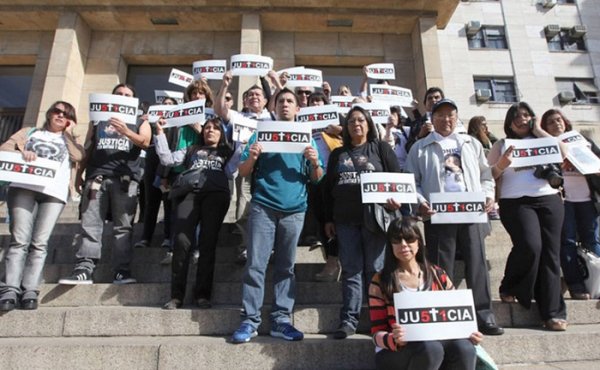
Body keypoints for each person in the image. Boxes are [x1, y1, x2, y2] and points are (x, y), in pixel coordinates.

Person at [230, 88, 323, 344]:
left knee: (286, 267)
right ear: (274, 106)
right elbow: (244, 170)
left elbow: (317, 179)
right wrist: (254, 155)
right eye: (280, 100)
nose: (285, 104)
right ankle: (250, 320)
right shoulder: (261, 133)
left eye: (290, 101)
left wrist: (314, 162)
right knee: (256, 265)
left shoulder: (306, 137)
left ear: (297, 109)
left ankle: (281, 320)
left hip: (294, 211)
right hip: (263, 208)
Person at [404, 99, 504, 336]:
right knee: (440, 267)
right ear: (432, 119)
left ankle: (483, 315)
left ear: (457, 118)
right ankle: (445, 314)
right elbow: (411, 182)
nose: (446, 120)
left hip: (471, 213)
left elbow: (485, 175)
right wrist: (421, 203)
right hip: (439, 215)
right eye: (440, 115)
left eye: (450, 115)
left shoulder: (471, 143)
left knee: (477, 264)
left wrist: (488, 195)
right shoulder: (420, 148)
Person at [59, 83, 151, 285]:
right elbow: (88, 147)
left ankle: (121, 270)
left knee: (123, 227)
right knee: (90, 223)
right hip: (96, 178)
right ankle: (84, 267)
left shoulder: (140, 120)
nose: (123, 96)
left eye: (127, 95)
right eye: (119, 94)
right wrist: (79, 174)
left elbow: (145, 142)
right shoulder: (98, 119)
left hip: (125, 179)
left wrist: (126, 131)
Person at [323, 106, 402, 339]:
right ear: (346, 128)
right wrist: (328, 218)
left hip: (375, 221)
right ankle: (348, 321)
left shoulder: (381, 148)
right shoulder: (338, 154)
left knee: (376, 270)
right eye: (351, 121)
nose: (356, 124)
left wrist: (395, 201)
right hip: (345, 221)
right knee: (351, 271)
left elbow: (396, 180)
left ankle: (381, 320)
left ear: (368, 123)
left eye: (360, 120)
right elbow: (328, 190)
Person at [487, 102, 567, 331]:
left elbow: (564, 153)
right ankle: (510, 285)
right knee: (531, 246)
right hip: (516, 202)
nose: (521, 120)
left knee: (551, 255)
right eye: (516, 117)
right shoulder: (502, 144)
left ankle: (552, 313)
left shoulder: (544, 139)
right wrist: (502, 165)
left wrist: (539, 130)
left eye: (526, 116)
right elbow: (488, 174)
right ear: (508, 122)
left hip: (549, 200)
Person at [0, 101, 84, 311]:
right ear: (49, 114)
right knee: (19, 240)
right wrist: (22, 154)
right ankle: (9, 288)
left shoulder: (69, 139)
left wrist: (69, 134)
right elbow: (5, 149)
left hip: (54, 193)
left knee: (40, 242)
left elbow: (79, 156)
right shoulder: (30, 132)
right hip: (24, 188)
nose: (60, 116)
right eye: (57, 111)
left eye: (65, 114)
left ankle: (30, 290)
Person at [369, 217, 482, 370]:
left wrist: (469, 332)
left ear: (418, 242)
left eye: (409, 239)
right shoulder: (380, 280)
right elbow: (376, 333)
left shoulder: (438, 274)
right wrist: (393, 339)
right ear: (390, 245)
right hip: (396, 352)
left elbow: (456, 317)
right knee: (431, 348)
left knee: (465, 348)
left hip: (438, 344)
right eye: (396, 240)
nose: (403, 245)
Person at [155, 118, 237, 309]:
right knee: (182, 241)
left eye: (215, 128)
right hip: (189, 194)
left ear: (221, 133)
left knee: (208, 243)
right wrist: (159, 133)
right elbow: (167, 159)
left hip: (215, 196)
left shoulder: (227, 151)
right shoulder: (191, 149)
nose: (210, 131)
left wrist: (242, 141)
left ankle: (202, 295)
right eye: (207, 128)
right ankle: (176, 296)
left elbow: (234, 170)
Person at [540, 108, 600, 300]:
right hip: (564, 200)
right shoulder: (546, 145)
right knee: (567, 243)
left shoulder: (583, 141)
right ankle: (576, 285)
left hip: (587, 199)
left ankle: (598, 283)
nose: (557, 123)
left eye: (559, 120)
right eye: (551, 122)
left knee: (593, 241)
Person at [134, 96, 177, 251]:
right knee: (151, 201)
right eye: (164, 104)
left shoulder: (176, 125)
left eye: (170, 104)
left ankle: (167, 237)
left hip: (168, 162)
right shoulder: (150, 123)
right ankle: (146, 237)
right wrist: (145, 120)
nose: (166, 106)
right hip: (152, 160)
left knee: (168, 201)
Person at [405, 87, 444, 153]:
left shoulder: (451, 121)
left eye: (437, 97)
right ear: (425, 104)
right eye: (430, 98)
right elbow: (408, 149)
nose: (433, 100)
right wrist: (420, 136)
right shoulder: (416, 124)